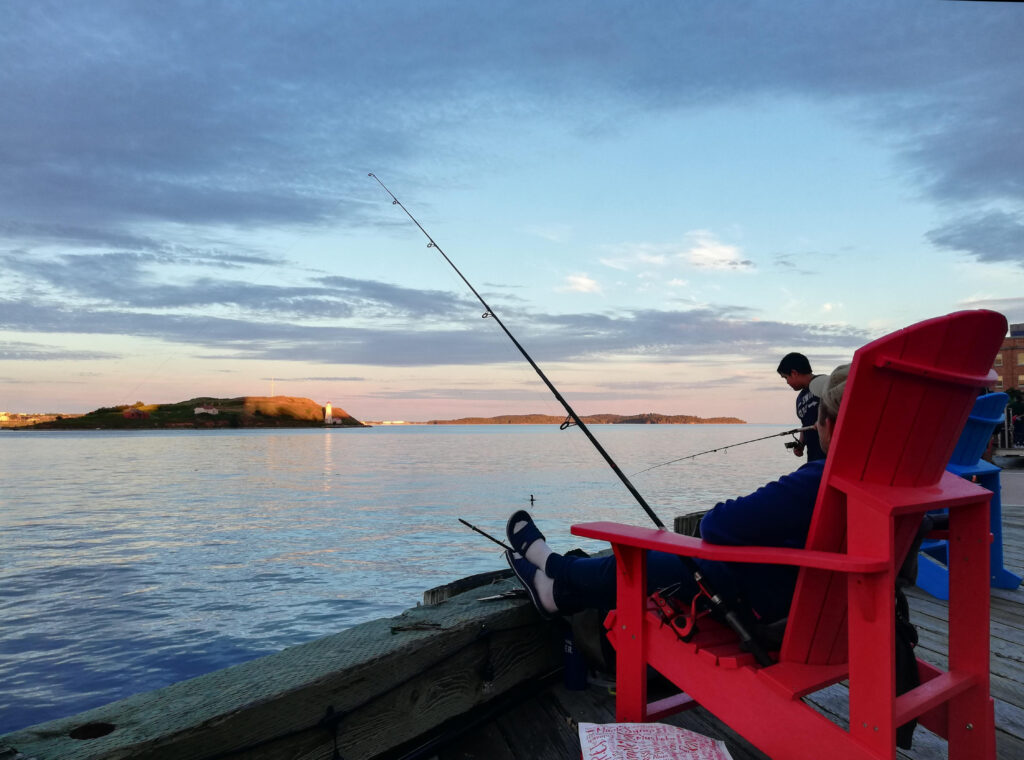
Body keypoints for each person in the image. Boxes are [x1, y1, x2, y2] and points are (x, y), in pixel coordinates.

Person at [505, 364, 850, 626]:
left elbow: (715, 526)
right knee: (663, 565)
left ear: (830, 426)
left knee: (645, 560)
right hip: (832, 613)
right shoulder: (887, 488)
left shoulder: (820, 481)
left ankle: (552, 565)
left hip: (765, 604)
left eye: (819, 417)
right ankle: (556, 595)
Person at [776, 352, 826, 462]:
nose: (787, 382)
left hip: (831, 457)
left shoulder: (825, 383)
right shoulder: (799, 399)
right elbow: (805, 424)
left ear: (794, 373)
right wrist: (801, 443)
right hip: (813, 459)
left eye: (785, 378)